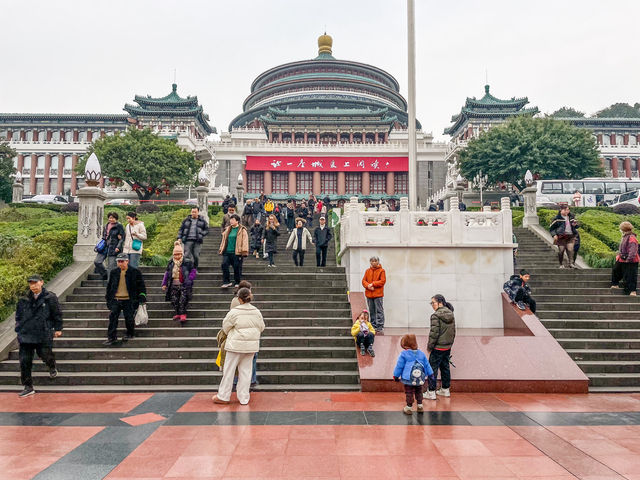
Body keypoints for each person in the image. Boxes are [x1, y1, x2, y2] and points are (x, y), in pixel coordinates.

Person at [213, 287, 265, 405]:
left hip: (235, 345)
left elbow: (225, 327)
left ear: (239, 299)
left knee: (229, 370)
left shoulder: (234, 312)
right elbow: (262, 327)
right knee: (246, 371)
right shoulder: (257, 311)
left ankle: (223, 396)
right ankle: (244, 397)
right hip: (251, 346)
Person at [14, 274, 62, 397]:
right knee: (25, 361)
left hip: (43, 333)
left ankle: (51, 366)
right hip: (26, 334)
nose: (33, 286)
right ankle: (28, 386)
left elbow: (57, 313)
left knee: (45, 354)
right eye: (31, 283)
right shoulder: (24, 298)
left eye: (35, 283)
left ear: (41, 282)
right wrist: (19, 327)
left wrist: (58, 328)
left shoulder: (50, 297)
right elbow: (18, 315)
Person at [104, 253, 147, 345]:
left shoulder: (135, 272)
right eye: (118, 262)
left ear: (127, 261)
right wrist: (108, 299)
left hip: (129, 299)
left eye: (122, 261)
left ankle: (130, 333)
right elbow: (109, 286)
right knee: (113, 318)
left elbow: (141, 286)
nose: (120, 263)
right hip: (116, 299)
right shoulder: (114, 272)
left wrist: (142, 296)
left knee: (129, 318)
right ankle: (111, 337)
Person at [393, 334, 434, 415]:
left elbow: (399, 366)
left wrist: (396, 375)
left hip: (408, 378)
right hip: (420, 378)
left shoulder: (404, 354)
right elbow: (427, 364)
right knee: (419, 390)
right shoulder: (421, 353)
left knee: (409, 392)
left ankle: (409, 407)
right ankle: (420, 405)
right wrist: (431, 373)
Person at [425, 294, 455, 400]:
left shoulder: (435, 316)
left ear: (440, 302)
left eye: (433, 303)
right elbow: (453, 332)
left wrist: (430, 346)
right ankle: (445, 389)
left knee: (432, 369)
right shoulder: (451, 313)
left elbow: (434, 333)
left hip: (438, 347)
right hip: (447, 346)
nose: (432, 305)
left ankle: (431, 391)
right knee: (445, 367)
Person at [229, 281, 259, 388]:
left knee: (240, 360)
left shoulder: (236, 303)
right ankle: (250, 380)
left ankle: (242, 380)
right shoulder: (248, 307)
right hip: (247, 337)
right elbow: (261, 325)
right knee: (249, 359)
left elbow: (227, 323)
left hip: (239, 336)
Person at [161, 241, 196, 323]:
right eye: (175, 254)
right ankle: (177, 313)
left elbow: (193, 271)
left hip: (184, 284)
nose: (177, 256)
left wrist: (190, 279)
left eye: (179, 254)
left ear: (182, 254)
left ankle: (183, 313)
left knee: (183, 300)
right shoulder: (171, 263)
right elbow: (167, 274)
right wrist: (164, 283)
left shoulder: (187, 262)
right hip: (173, 284)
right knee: (174, 300)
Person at [219, 213, 249, 288]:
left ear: (237, 221)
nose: (231, 221)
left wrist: (244, 251)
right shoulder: (228, 229)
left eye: (233, 220)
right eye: (230, 220)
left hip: (237, 252)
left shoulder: (242, 229)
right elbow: (224, 240)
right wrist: (221, 248)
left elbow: (245, 241)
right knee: (224, 265)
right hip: (227, 251)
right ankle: (226, 281)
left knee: (237, 267)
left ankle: (237, 282)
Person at [94, 212, 125, 282]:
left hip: (113, 247)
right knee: (97, 262)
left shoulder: (119, 226)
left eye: (113, 218)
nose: (111, 219)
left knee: (111, 266)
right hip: (104, 247)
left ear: (116, 219)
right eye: (110, 218)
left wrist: (118, 247)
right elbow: (104, 236)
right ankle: (104, 274)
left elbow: (122, 238)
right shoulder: (106, 225)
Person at [611, 221, 639, 296]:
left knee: (631, 275)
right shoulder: (625, 237)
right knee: (616, 270)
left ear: (624, 229)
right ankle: (615, 284)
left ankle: (632, 291)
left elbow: (633, 250)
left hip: (631, 260)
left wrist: (629, 259)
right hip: (622, 258)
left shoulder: (632, 238)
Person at [362, 256, 386, 332]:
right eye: (372, 261)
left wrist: (373, 284)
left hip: (378, 295)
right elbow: (363, 281)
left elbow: (382, 281)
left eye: (375, 261)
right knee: (371, 310)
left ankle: (380, 326)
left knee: (379, 310)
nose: (373, 262)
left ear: (378, 262)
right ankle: (373, 325)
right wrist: (368, 286)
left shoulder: (382, 271)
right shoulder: (367, 271)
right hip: (369, 294)